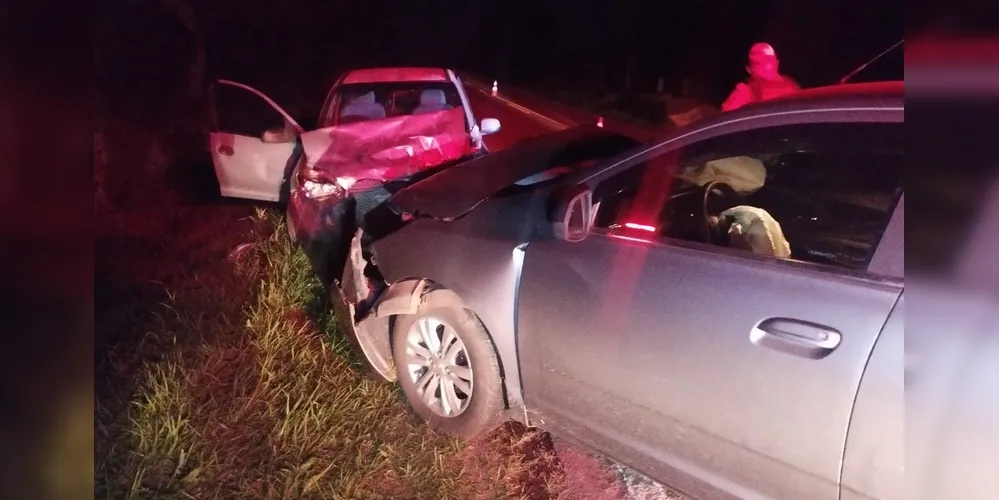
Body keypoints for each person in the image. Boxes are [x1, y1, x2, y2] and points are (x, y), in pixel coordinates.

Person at [721, 42, 801, 111]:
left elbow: (721, 122)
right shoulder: (794, 88)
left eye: (768, 63)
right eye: (759, 65)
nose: (765, 68)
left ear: (748, 69)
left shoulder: (744, 92)